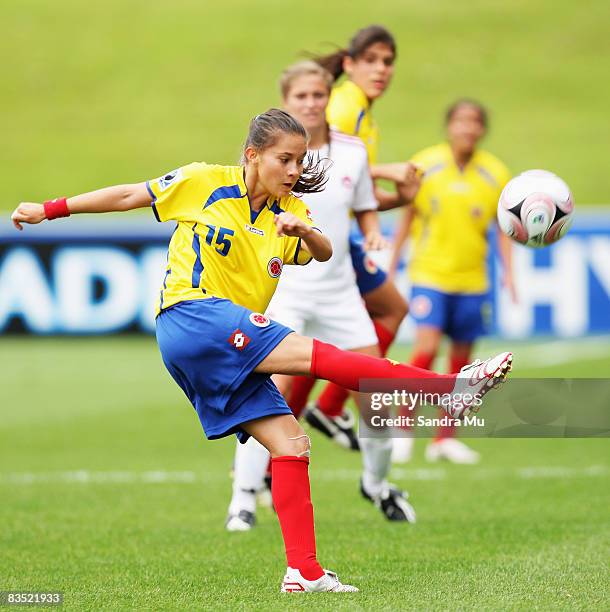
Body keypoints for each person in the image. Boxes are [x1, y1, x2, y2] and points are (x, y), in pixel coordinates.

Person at [11, 109, 512, 593]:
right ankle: (450, 390)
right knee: (324, 358)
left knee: (291, 444)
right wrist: (49, 209)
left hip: (217, 344)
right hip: (192, 316)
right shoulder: (204, 181)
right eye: (284, 160)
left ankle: (305, 573)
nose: (294, 171)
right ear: (253, 155)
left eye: (300, 161)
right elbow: (127, 195)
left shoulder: (289, 212)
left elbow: (325, 252)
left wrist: (307, 232)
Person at [226, 61, 416, 533]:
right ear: (286, 103)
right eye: (301, 96)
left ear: (330, 96)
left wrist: (372, 235)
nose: (311, 102)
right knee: (268, 399)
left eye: (318, 94)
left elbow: (365, 208)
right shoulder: (270, 157)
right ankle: (243, 498)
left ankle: (375, 485)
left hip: (340, 292)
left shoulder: (352, 154)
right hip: (285, 292)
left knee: (378, 395)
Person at [294, 25, 421, 445]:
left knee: (315, 348)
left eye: (388, 62)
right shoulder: (345, 105)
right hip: (313, 241)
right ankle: (319, 414)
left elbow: (357, 195)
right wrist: (387, 171)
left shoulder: (364, 113)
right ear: (349, 65)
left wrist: (400, 197)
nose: (381, 69)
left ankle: (320, 414)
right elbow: (315, 161)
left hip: (336, 234)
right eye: (371, 60)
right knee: (388, 311)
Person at [387, 99, 515, 464]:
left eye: (474, 122)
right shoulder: (426, 164)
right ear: (448, 127)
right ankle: (403, 430)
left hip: (473, 280)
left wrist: (510, 273)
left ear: (482, 129)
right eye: (460, 121)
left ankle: (444, 438)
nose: (467, 128)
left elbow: (504, 228)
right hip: (430, 274)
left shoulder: (495, 173)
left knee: (463, 365)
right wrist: (394, 263)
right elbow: (407, 216)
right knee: (424, 352)